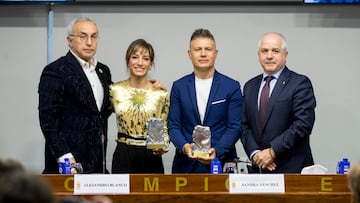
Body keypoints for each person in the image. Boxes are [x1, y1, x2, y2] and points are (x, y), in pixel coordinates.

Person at [38, 16, 113, 174]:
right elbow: (48, 122)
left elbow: (109, 108)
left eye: (94, 36)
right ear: (69, 40)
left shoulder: (103, 71)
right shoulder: (55, 71)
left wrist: (149, 89)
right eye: (82, 36)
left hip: (98, 164)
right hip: (68, 165)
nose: (89, 42)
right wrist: (65, 159)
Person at [168, 28, 243, 173]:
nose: (203, 54)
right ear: (189, 54)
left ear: (216, 53)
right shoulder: (179, 86)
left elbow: (235, 126)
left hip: (220, 163)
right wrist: (185, 147)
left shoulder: (231, 86)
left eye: (208, 49)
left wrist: (218, 151)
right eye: (198, 49)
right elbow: (174, 125)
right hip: (186, 165)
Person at [241, 32, 316, 173]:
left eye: (275, 51)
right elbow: (244, 126)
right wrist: (255, 153)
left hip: (292, 169)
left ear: (285, 55)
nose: (269, 56)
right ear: (259, 55)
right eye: (264, 51)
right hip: (259, 169)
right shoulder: (249, 86)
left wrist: (273, 151)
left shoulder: (299, 83)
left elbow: (303, 124)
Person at [110, 39, 170, 174]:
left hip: (151, 155)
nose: (140, 63)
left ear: (151, 64)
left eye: (146, 58)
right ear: (128, 61)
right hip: (123, 153)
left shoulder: (160, 93)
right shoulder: (115, 90)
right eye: (135, 57)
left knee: (153, 196)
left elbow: (165, 126)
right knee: (121, 195)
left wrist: (163, 146)